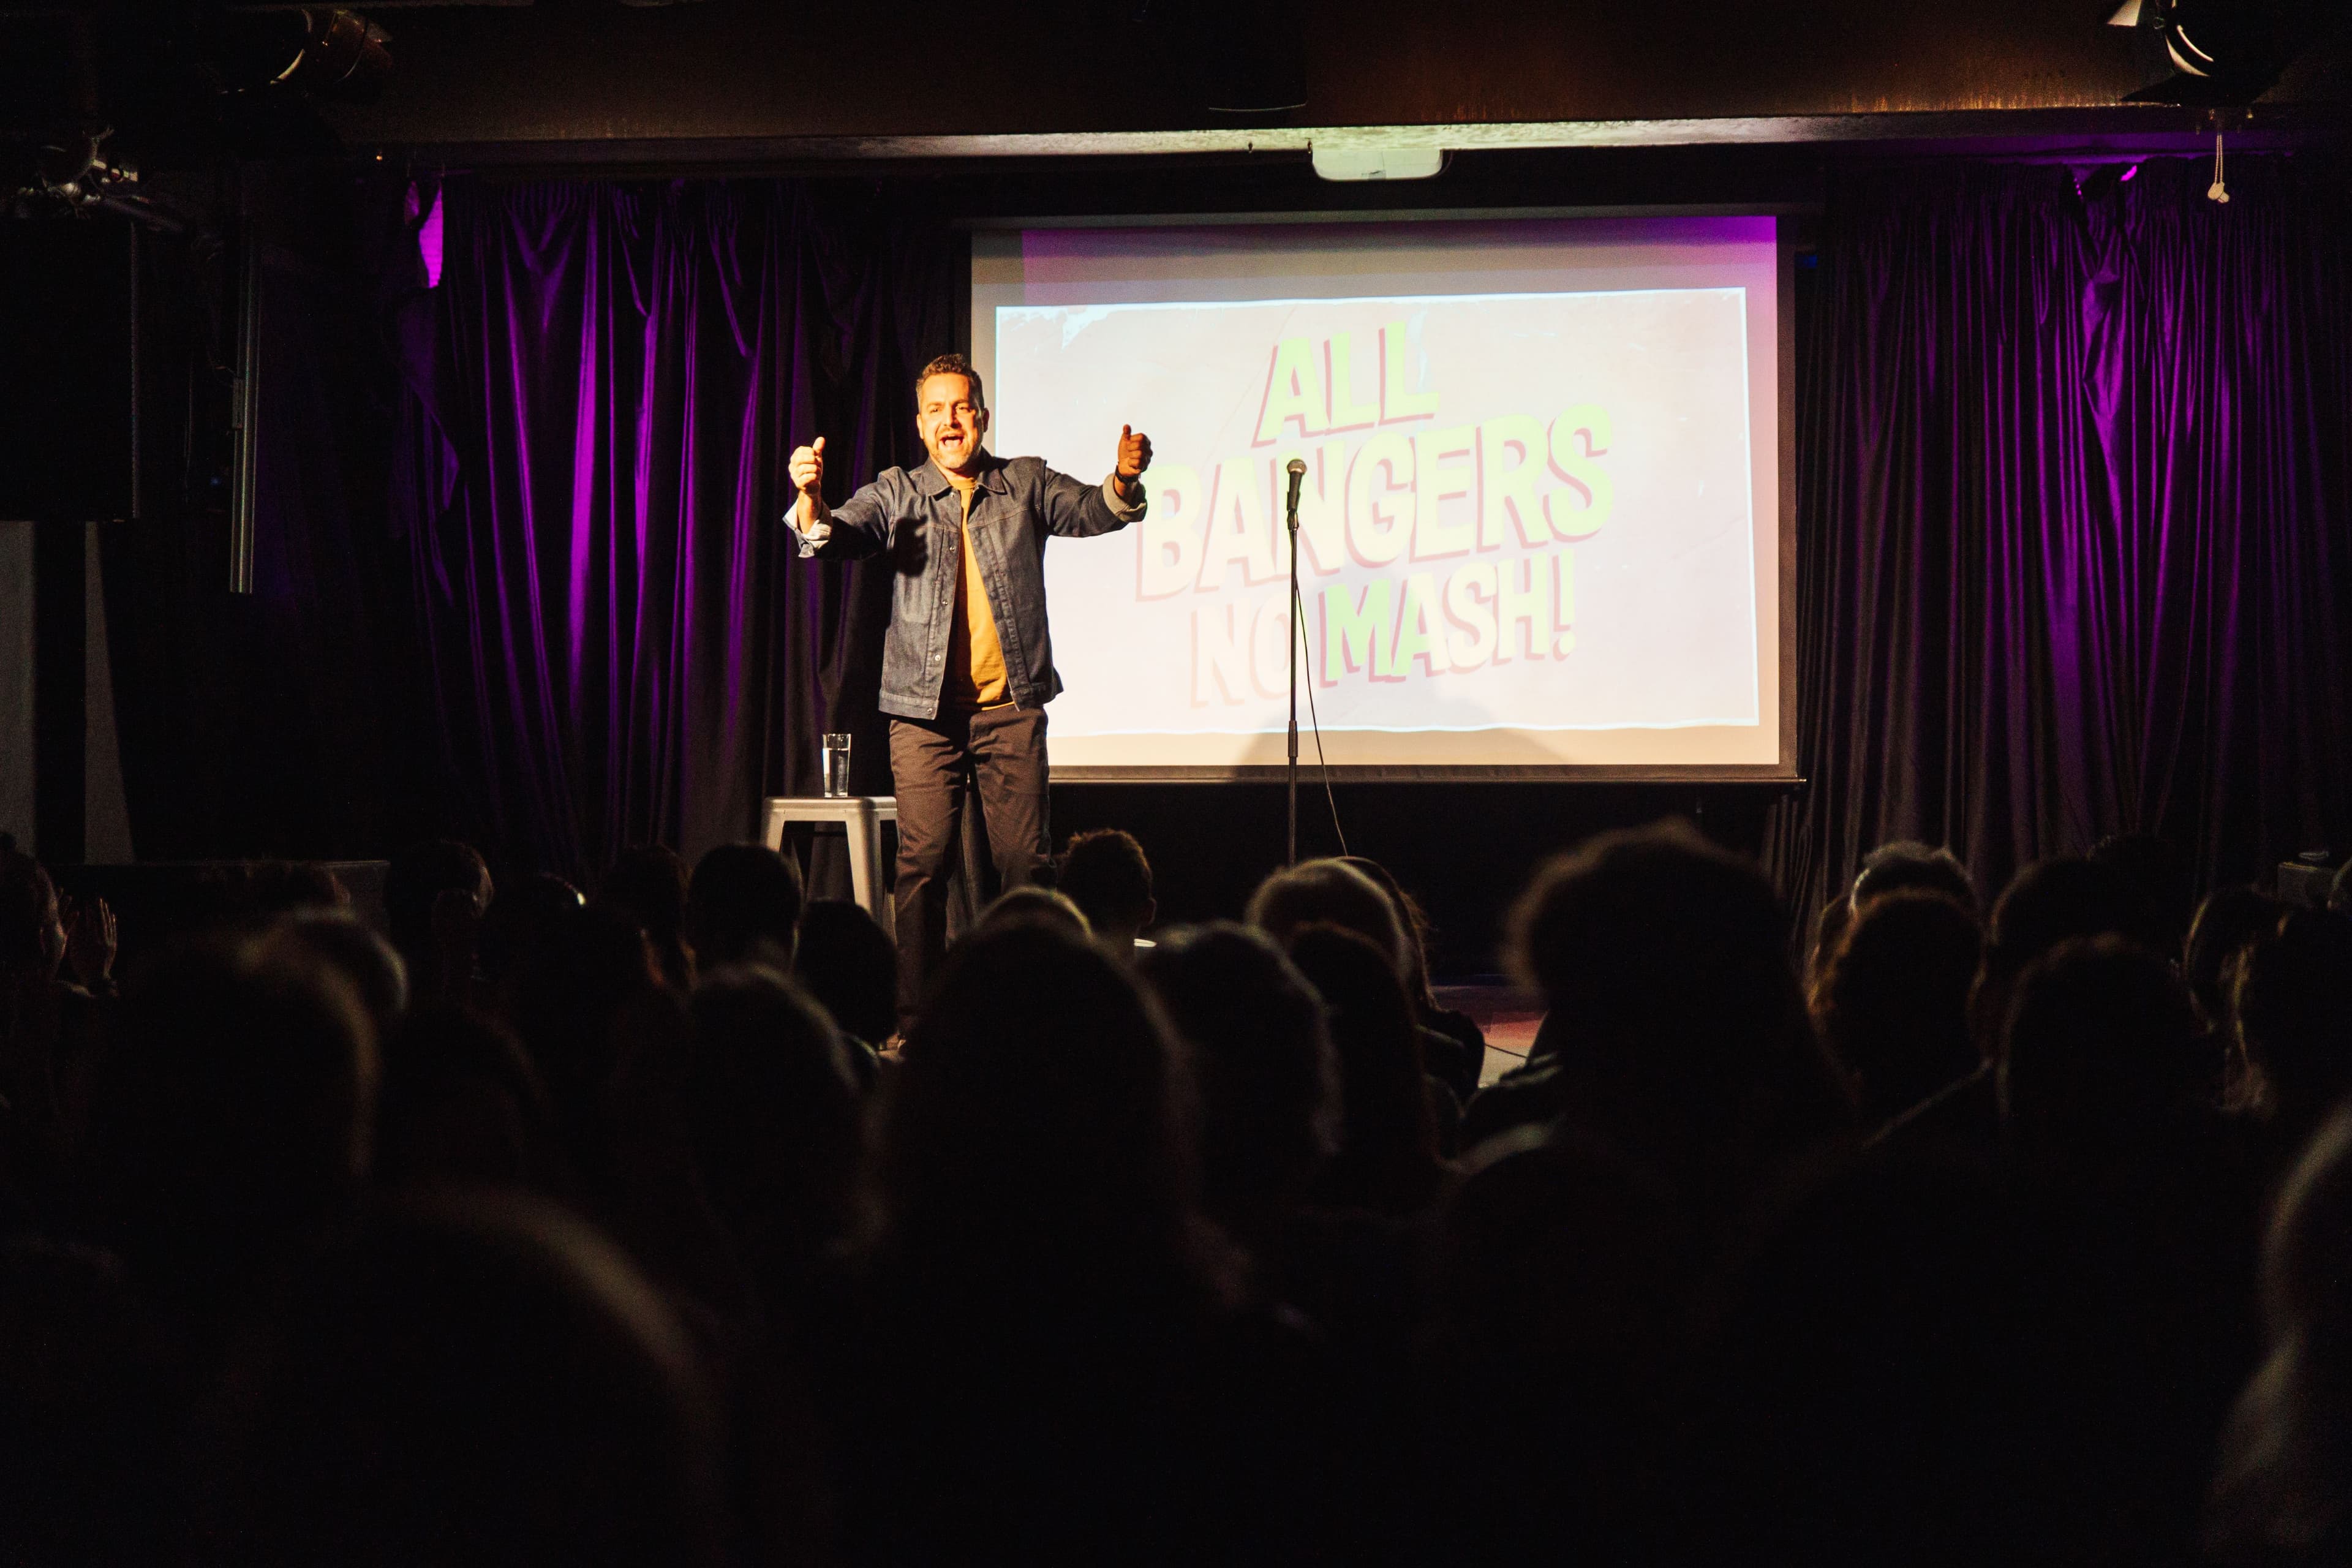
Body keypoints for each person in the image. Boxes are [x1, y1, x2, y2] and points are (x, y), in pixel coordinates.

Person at [785, 353, 1153, 1018]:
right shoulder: (897, 491)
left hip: (1009, 711)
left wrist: (1123, 480)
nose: (949, 422)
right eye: (936, 411)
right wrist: (810, 498)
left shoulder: (1024, 482)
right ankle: (916, 1019)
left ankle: (1030, 1012)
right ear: (921, 426)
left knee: (1027, 866)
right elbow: (834, 534)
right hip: (923, 717)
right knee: (922, 866)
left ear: (981, 417)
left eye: (961, 408)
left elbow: (1094, 510)